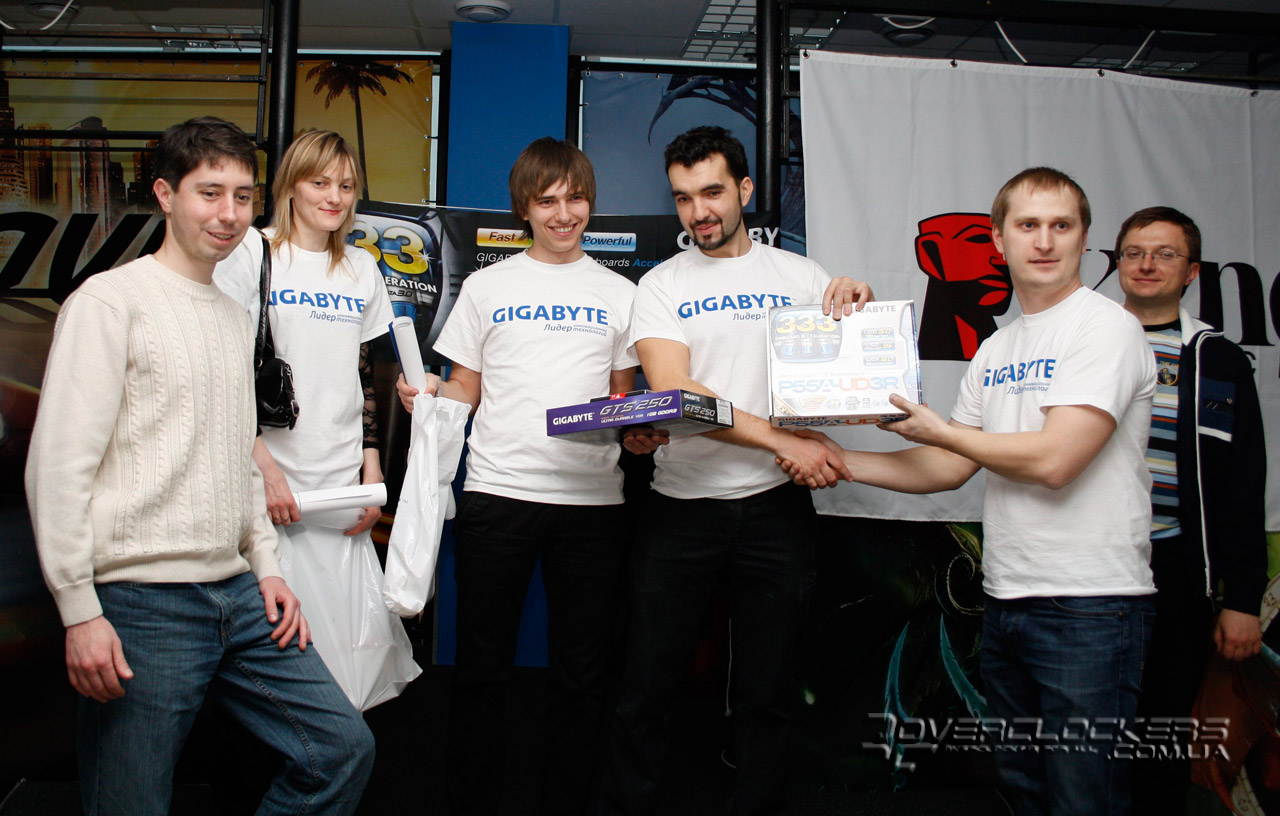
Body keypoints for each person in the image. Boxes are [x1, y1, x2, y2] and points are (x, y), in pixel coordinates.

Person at [24, 116, 373, 816]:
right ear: (165, 194)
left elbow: (238, 454)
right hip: (142, 600)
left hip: (239, 592)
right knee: (131, 803)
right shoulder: (109, 302)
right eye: (209, 193)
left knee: (341, 750)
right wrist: (79, 610)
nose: (228, 214)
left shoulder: (231, 318)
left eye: (242, 196)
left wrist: (267, 567)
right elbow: (56, 469)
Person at [784, 168, 1157, 814]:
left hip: (1090, 605)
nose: (1045, 241)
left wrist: (944, 432)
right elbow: (948, 467)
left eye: (1061, 225)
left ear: (1084, 238)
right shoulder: (998, 348)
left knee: (1085, 797)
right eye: (1028, 225)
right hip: (1007, 599)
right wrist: (840, 459)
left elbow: (1056, 460)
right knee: (1024, 788)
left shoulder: (1105, 329)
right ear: (999, 240)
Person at [600, 125, 871, 815]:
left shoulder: (800, 276)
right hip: (681, 505)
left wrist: (855, 305)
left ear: (745, 189)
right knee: (647, 683)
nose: (699, 212)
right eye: (684, 197)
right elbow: (678, 392)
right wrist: (783, 440)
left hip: (776, 507)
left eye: (713, 192)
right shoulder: (661, 285)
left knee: (768, 689)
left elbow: (846, 374)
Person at [396, 137, 655, 815]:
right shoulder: (488, 287)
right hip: (498, 495)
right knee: (481, 668)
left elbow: (620, 398)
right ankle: (470, 800)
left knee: (582, 674)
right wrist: (430, 395)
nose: (564, 214)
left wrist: (641, 428)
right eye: (548, 201)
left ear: (590, 203)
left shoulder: (621, 294)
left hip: (593, 503)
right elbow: (465, 388)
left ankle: (568, 801)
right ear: (524, 208)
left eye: (576, 198)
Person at [213, 129, 416, 709]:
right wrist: (264, 470)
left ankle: (334, 754)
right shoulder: (251, 254)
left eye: (346, 186)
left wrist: (370, 473)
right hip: (268, 481)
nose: (335, 197)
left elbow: (362, 376)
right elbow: (223, 372)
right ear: (290, 186)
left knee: (349, 665)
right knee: (274, 654)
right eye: (320, 182)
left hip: (339, 484)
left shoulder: (360, 268)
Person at [1114, 206, 1267, 814]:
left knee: (1162, 723)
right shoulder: (1084, 340)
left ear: (1192, 271)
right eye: (1134, 253)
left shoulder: (1217, 358)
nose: (1147, 264)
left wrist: (1243, 599)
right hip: (1092, 562)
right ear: (1117, 263)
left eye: (1165, 254)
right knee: (1087, 725)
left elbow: (1241, 480)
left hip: (1173, 566)